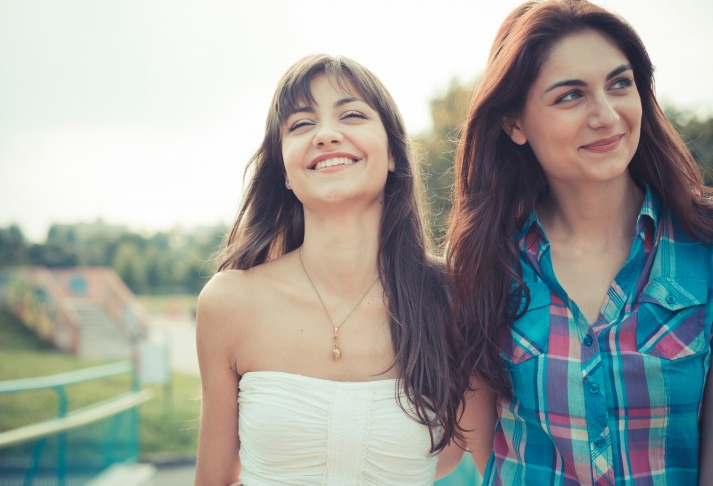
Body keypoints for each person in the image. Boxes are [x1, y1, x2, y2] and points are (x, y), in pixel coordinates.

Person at [445, 0, 713, 484]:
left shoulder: (704, 246)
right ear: (515, 125)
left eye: (619, 83)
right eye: (571, 96)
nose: (606, 115)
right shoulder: (484, 263)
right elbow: (479, 456)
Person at [194, 54, 477, 485]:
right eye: (302, 124)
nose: (326, 134)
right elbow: (213, 479)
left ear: (393, 156)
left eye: (352, 114)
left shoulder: (454, 298)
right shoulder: (228, 303)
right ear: (285, 170)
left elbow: (473, 456)